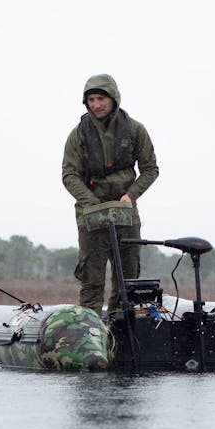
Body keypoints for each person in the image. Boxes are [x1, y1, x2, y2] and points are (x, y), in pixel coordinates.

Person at [61, 73, 159, 314]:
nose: (96, 104)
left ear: (113, 98)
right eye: (91, 99)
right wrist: (91, 203)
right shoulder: (78, 135)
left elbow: (150, 169)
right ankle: (91, 332)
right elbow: (69, 175)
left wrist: (131, 195)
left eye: (101, 98)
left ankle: (121, 333)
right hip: (91, 216)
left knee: (127, 280)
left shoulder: (135, 130)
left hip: (125, 213)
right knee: (91, 280)